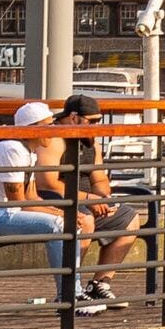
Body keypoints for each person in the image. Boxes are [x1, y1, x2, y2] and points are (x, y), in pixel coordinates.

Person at [0, 101, 86, 311]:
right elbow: (19, 202)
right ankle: (70, 296)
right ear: (31, 128)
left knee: (67, 223)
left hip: (2, 213)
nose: (53, 132)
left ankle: (73, 293)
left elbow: (31, 197)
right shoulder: (12, 149)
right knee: (58, 226)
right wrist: (58, 216)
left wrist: (64, 212)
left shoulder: (28, 151)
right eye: (47, 126)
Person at [46, 95, 144, 308]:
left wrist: (104, 199)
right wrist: (90, 199)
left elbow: (98, 177)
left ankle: (100, 284)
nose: (97, 126)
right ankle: (72, 289)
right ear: (74, 118)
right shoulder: (54, 139)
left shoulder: (92, 143)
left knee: (129, 218)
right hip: (59, 202)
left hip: (88, 201)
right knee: (85, 220)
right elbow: (49, 184)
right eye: (92, 121)